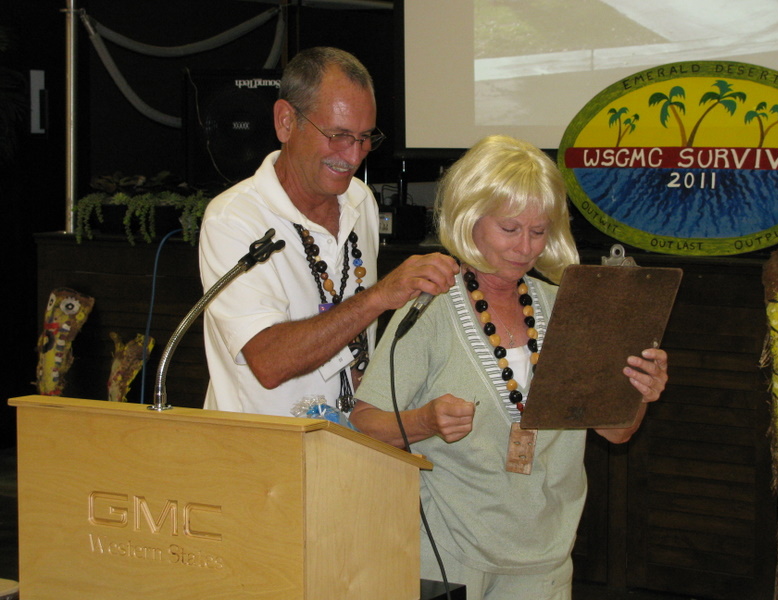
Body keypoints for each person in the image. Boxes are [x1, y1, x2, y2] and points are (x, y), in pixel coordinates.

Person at [349, 135, 669, 600]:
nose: (525, 247)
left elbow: (617, 433)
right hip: (449, 553)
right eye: (510, 228)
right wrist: (424, 422)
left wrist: (639, 392)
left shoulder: (571, 309)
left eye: (538, 232)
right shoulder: (429, 310)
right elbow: (364, 424)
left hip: (547, 556)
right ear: (469, 220)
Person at [198, 47, 457, 417]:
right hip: (260, 445)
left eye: (364, 138)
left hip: (343, 439)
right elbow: (269, 362)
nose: (353, 156)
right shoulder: (233, 218)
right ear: (286, 121)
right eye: (338, 135)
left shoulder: (360, 201)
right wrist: (378, 297)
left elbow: (353, 341)